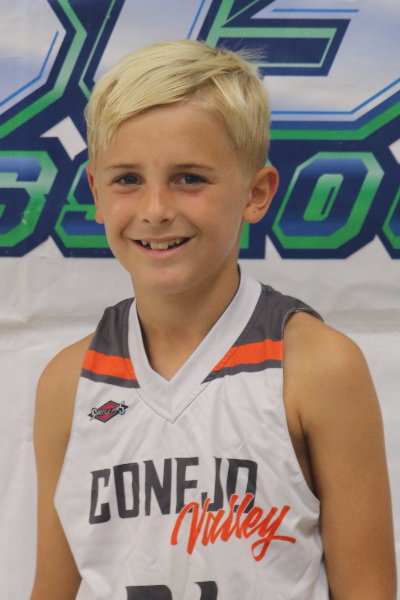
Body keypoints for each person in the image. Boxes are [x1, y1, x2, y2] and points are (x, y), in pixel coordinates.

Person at [31, 40, 396, 600]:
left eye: (189, 178)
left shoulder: (320, 368)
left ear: (256, 193)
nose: (155, 209)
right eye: (127, 179)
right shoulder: (68, 383)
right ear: (96, 195)